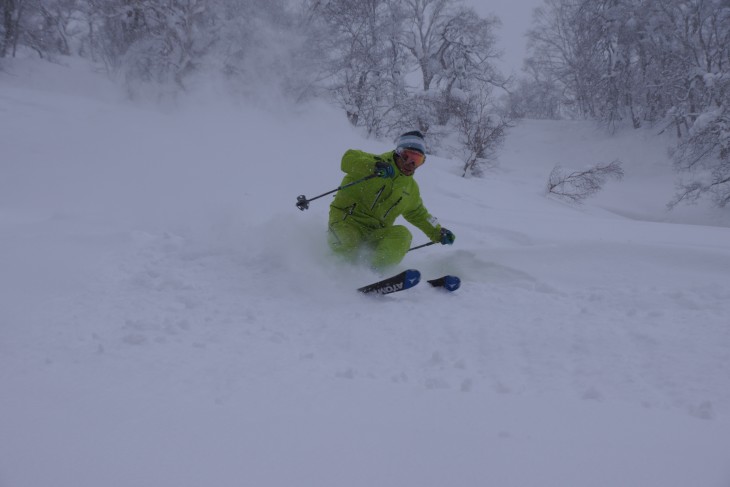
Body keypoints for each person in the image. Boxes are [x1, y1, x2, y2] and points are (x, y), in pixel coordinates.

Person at [327, 130, 455, 270]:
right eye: (408, 157)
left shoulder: (410, 188)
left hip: (374, 234)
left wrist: (438, 232)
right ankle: (335, 274)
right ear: (398, 152)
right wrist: (373, 167)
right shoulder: (375, 162)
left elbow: (418, 214)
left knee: (402, 235)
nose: (411, 163)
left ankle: (373, 275)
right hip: (346, 222)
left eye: (417, 160)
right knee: (348, 245)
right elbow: (347, 159)